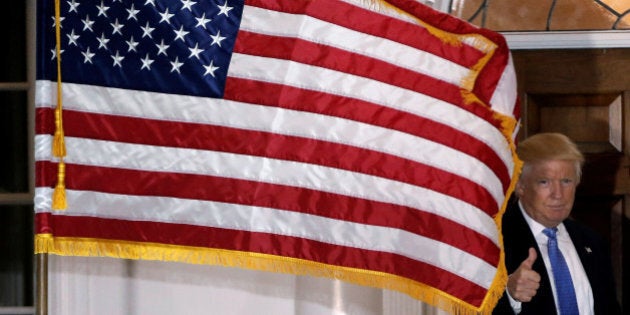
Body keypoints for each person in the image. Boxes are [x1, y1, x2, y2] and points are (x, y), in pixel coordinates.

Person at [493, 133, 620, 314]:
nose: (558, 194)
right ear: (520, 185)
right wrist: (511, 296)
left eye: (566, 181)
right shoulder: (493, 244)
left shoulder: (592, 242)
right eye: (544, 182)